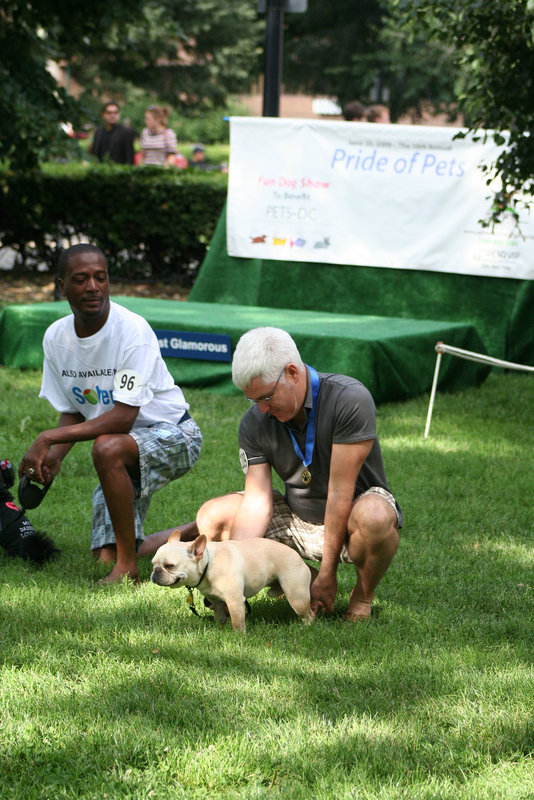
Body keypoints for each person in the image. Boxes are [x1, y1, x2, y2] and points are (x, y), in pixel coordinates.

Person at [18, 244, 202, 585]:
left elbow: (122, 419)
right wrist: (55, 457)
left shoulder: (132, 331)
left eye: (100, 278)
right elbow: (73, 409)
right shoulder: (56, 338)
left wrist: (47, 439)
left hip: (175, 435)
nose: (92, 287)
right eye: (81, 279)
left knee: (107, 446)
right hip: (122, 445)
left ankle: (127, 569)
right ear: (62, 286)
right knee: (103, 553)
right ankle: (198, 531)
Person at [194, 327, 402, 620]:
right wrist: (232, 569)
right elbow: (257, 503)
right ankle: (303, 576)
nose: (262, 410)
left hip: (351, 521)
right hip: (296, 518)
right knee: (213, 515)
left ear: (292, 372)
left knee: (375, 516)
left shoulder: (349, 399)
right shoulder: (254, 421)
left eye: (266, 397)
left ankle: (361, 598)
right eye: (254, 401)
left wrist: (329, 573)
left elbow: (340, 491)